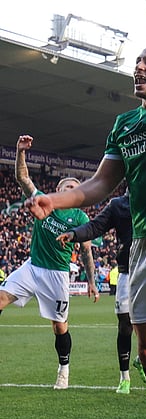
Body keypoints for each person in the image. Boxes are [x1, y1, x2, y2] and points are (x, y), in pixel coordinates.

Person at [26, 0, 146, 419]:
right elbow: (99, 184)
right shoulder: (125, 124)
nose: (139, 67)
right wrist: (55, 199)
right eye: (137, 62)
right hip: (144, 246)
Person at [2, 136, 98, 390]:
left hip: (57, 274)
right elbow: (23, 179)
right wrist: (20, 152)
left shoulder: (80, 216)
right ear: (58, 188)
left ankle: (63, 369)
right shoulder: (45, 200)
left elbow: (86, 251)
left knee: (59, 327)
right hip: (32, 267)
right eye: (67, 186)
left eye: (75, 188)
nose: (71, 190)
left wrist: (91, 282)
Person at [57, 191, 134, 394]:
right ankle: (124, 377)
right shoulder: (118, 205)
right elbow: (95, 226)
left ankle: (143, 359)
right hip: (128, 272)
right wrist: (74, 234)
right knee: (125, 324)